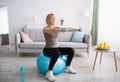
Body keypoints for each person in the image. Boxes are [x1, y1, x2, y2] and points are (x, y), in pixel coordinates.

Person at [43, 13, 81, 81]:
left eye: (54, 18)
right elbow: (52, 30)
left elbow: (67, 29)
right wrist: (59, 30)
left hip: (56, 48)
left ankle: (68, 67)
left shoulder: (56, 28)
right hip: (47, 49)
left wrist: (77, 29)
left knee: (71, 50)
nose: (54, 20)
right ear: (48, 20)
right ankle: (49, 73)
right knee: (57, 52)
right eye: (52, 18)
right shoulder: (45, 29)